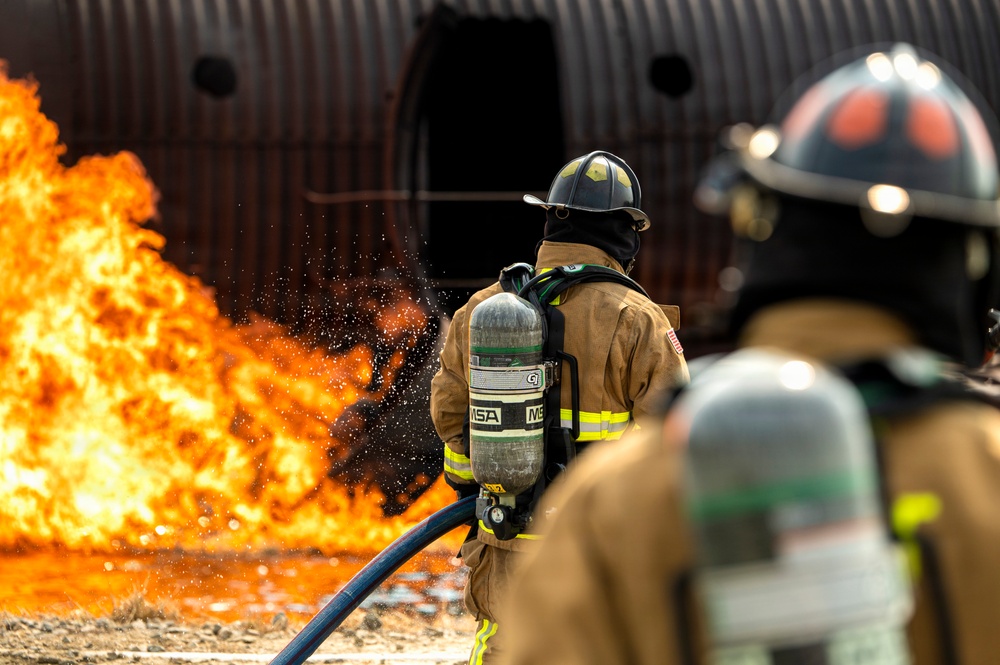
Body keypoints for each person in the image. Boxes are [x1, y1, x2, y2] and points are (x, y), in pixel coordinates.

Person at [502, 43, 1000, 665]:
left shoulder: (613, 503)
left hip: (509, 528)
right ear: (975, 265)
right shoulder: (988, 473)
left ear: (762, 229)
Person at [429, 150, 690, 664]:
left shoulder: (483, 310)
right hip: (603, 547)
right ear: (624, 231)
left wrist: (476, 492)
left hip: (505, 539)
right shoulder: (638, 319)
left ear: (551, 219)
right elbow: (676, 440)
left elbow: (450, 417)